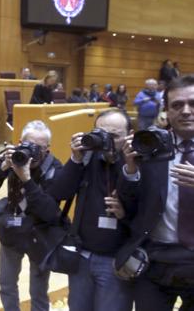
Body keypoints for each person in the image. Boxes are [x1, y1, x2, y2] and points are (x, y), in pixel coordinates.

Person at [117, 75, 194, 311]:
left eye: (193, 104)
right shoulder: (151, 145)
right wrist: (130, 168)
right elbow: (130, 205)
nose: (186, 111)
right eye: (177, 105)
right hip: (155, 260)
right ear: (166, 112)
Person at [47, 109, 133, 311]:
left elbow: (148, 215)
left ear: (129, 136)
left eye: (114, 136)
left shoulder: (134, 165)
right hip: (83, 256)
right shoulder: (86, 159)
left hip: (116, 260)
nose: (107, 141)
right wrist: (75, 159)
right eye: (101, 134)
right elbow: (59, 193)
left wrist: (124, 213)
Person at [0, 121, 63, 311]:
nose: (32, 152)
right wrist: (3, 166)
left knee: (39, 290)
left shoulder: (55, 169)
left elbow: (49, 212)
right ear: (19, 143)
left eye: (39, 147)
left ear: (48, 149)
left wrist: (27, 179)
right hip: (13, 231)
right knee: (7, 284)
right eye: (29, 145)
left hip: (41, 234)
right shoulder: (14, 159)